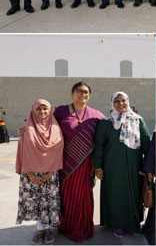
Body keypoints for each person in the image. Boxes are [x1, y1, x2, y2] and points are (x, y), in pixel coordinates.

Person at [93, 92, 151, 238]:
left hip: (134, 167)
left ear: (128, 102)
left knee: (134, 193)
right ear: (112, 103)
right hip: (113, 168)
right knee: (116, 195)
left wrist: (149, 168)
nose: (120, 104)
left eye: (123, 100)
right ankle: (117, 224)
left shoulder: (138, 120)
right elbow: (99, 145)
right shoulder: (106, 123)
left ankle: (133, 223)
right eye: (117, 101)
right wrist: (98, 167)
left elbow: (146, 145)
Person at [54, 82, 105, 241]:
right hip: (65, 163)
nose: (82, 94)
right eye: (79, 91)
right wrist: (27, 130)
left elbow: (109, 131)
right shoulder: (60, 111)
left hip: (85, 165)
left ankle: (83, 227)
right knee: (66, 196)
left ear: (89, 95)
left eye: (85, 92)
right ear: (72, 93)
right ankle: (67, 225)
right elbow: (45, 127)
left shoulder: (96, 114)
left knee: (84, 196)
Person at [15, 99, 64, 245]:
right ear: (33, 110)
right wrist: (30, 175)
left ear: (49, 110)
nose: (42, 112)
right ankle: (39, 229)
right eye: (39, 109)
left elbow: (59, 151)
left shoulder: (56, 128)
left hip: (51, 172)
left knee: (49, 201)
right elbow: (22, 152)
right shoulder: (26, 129)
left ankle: (48, 229)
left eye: (45, 109)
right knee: (35, 202)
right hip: (30, 173)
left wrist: (51, 172)